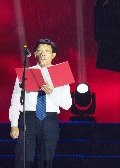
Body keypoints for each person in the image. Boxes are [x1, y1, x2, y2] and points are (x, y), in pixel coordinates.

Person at [9, 39, 72, 167]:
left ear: (53, 55)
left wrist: (52, 93)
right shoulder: (25, 73)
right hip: (28, 119)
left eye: (47, 51)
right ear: (35, 54)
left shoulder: (60, 73)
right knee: (23, 160)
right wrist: (14, 124)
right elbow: (15, 101)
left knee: (46, 161)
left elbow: (67, 104)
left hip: (49, 120)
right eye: (39, 51)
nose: (43, 53)